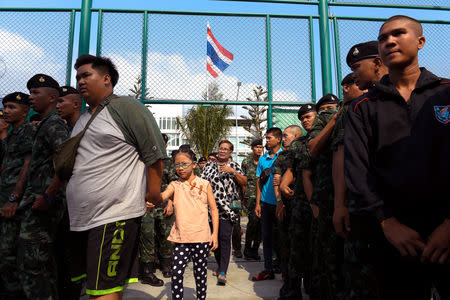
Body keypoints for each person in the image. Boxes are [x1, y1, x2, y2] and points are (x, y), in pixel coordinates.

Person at [344, 15, 449, 299]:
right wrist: (387, 223)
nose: (389, 41)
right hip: (394, 239)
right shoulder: (363, 108)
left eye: (398, 33)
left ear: (420, 41)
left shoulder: (445, 93)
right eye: (382, 38)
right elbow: (357, 172)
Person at [66, 54, 166, 299]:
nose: (80, 81)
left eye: (86, 75)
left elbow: (154, 156)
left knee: (105, 291)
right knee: (92, 288)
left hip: (113, 215)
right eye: (78, 77)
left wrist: (153, 194)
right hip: (80, 218)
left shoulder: (126, 108)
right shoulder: (84, 118)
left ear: (106, 79)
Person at [335, 43, 387, 300]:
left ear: (377, 63)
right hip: (371, 213)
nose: (353, 76)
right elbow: (348, 162)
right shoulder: (359, 108)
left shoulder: (434, 94)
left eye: (356, 68)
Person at [16, 74, 70, 299]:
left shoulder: (54, 125)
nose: (30, 97)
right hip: (37, 201)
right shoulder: (46, 124)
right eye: (30, 92)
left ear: (52, 97)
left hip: (44, 205)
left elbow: (67, 162)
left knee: (33, 266)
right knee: (41, 266)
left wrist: (48, 196)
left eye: (35, 93)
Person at [160, 146, 219, 300]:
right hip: (181, 238)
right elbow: (162, 196)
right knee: (176, 273)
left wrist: (215, 235)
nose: (180, 168)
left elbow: (214, 210)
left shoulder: (204, 184)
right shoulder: (174, 185)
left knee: (200, 274)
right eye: (177, 165)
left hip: (201, 237)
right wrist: (152, 198)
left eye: (184, 164)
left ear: (193, 164)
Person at [306, 93, 343, 299]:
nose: (329, 113)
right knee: (328, 254)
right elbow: (307, 170)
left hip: (353, 196)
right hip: (326, 199)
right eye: (324, 110)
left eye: (332, 108)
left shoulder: (353, 112)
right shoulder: (323, 124)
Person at [0, 92, 36, 299]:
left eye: (12, 107)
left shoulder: (28, 131)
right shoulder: (12, 134)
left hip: (17, 205)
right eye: (5, 106)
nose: (6, 110)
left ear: (25, 111)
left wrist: (14, 199)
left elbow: (27, 164)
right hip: (5, 201)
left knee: (10, 256)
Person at [280, 104, 318, 299]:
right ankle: (293, 288)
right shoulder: (298, 144)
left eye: (308, 116)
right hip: (300, 203)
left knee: (318, 249)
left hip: (323, 203)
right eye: (302, 117)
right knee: (297, 247)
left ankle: (314, 287)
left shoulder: (328, 137)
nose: (305, 120)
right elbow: (291, 170)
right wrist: (283, 185)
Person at [201, 140, 247, 285]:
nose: (222, 151)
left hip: (228, 210)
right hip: (209, 209)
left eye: (226, 149)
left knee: (224, 237)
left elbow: (244, 181)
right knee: (213, 239)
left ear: (230, 152)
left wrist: (232, 172)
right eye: (220, 148)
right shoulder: (209, 165)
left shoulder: (234, 165)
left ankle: (223, 271)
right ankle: (220, 264)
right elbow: (201, 183)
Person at [139, 133, 177, 286]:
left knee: (166, 236)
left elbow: (174, 184)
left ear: (165, 146)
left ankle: (166, 265)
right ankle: (148, 271)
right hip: (145, 206)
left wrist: (171, 203)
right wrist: (143, 199)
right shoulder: (141, 161)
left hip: (164, 205)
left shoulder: (168, 163)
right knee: (147, 237)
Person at [272, 125, 302, 299]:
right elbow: (276, 181)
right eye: (282, 136)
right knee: (285, 245)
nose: (283, 139)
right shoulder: (282, 157)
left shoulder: (304, 152)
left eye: (286, 136)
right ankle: (289, 283)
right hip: (286, 206)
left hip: (302, 205)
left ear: (296, 136)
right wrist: (279, 201)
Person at [252, 127, 283, 281]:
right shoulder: (263, 159)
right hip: (265, 204)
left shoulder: (285, 156)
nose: (267, 141)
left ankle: (284, 269)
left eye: (269, 138)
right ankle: (268, 269)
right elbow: (259, 182)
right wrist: (258, 203)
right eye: (266, 138)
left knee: (282, 237)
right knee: (267, 237)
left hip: (281, 205)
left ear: (279, 139)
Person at [241, 139, 264, 260]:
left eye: (261, 147)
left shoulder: (265, 161)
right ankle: (247, 249)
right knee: (252, 223)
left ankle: (255, 250)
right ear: (252, 148)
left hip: (263, 197)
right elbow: (243, 182)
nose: (259, 149)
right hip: (250, 197)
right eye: (257, 147)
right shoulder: (246, 162)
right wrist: (244, 197)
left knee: (260, 224)